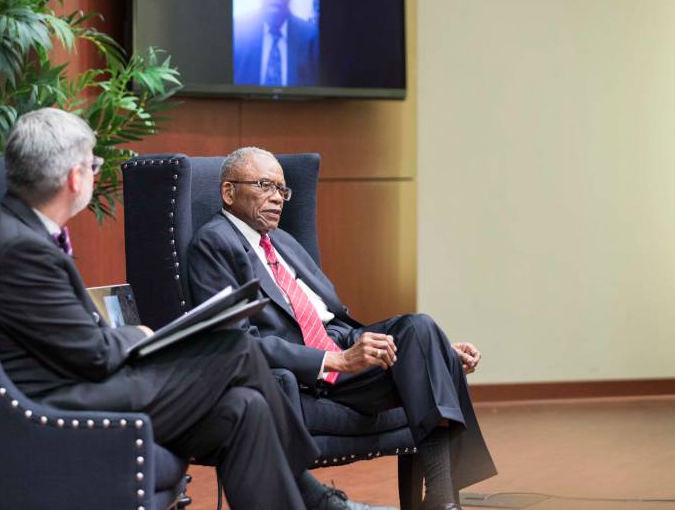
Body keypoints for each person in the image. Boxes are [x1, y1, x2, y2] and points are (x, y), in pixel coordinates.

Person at [0, 109, 393, 510]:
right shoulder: (21, 249)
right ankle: (313, 494)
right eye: (93, 163)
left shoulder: (18, 229)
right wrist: (135, 335)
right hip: (59, 402)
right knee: (237, 349)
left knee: (244, 408)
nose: (95, 171)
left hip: (80, 381)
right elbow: (94, 356)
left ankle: (308, 496)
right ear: (73, 178)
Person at [187, 147, 498, 510]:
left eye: (282, 190)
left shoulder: (284, 242)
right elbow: (238, 342)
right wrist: (334, 361)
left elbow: (333, 321)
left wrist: (434, 353)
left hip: (345, 362)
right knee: (423, 343)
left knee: (422, 329)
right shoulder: (215, 244)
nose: (277, 198)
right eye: (264, 186)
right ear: (228, 192)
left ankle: (441, 500)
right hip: (305, 375)